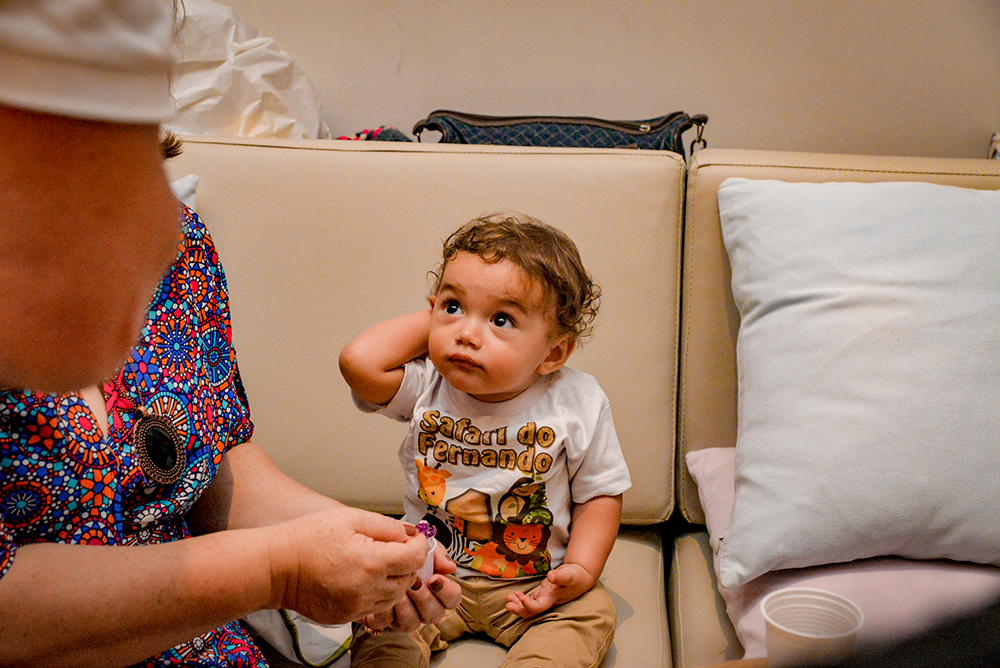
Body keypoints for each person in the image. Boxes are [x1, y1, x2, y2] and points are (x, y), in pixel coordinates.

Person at [339, 212, 632, 667]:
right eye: (453, 307)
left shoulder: (577, 401)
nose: (467, 334)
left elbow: (600, 494)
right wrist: (442, 321)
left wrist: (580, 568)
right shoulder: (428, 384)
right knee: (381, 615)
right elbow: (359, 362)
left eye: (501, 318)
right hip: (429, 574)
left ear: (553, 351)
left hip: (536, 585)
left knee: (589, 612)